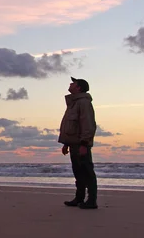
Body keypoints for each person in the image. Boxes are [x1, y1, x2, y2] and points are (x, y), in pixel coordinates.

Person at [58, 77, 98, 209]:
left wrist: (84, 144)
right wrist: (66, 143)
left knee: (87, 171)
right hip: (74, 143)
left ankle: (91, 200)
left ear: (79, 88)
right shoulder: (73, 103)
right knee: (78, 172)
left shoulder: (83, 103)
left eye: (73, 83)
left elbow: (88, 124)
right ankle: (79, 198)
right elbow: (71, 126)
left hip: (81, 144)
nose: (70, 84)